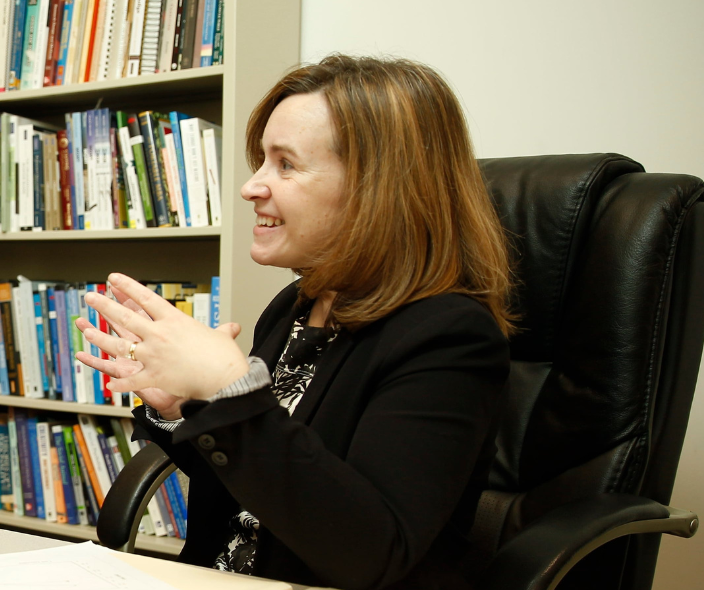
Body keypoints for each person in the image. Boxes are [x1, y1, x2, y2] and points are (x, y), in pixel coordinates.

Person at [75, 55, 515, 590]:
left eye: (285, 164)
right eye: (261, 161)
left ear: (379, 188)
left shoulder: (448, 338)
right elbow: (260, 492)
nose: (251, 187)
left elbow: (371, 553)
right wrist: (181, 410)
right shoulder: (295, 306)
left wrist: (228, 394)